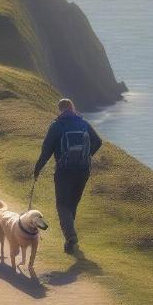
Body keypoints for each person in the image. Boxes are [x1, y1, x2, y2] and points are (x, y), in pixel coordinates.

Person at [34, 98, 102, 254]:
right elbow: (98, 141)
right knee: (72, 205)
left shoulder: (57, 125)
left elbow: (46, 151)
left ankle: (70, 237)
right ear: (72, 107)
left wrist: (37, 169)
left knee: (62, 205)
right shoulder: (83, 123)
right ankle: (70, 241)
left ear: (60, 109)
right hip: (83, 170)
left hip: (64, 171)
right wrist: (86, 156)